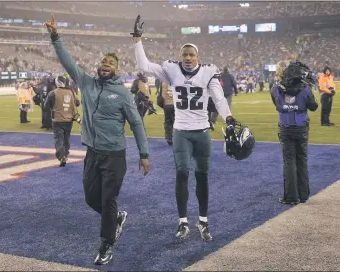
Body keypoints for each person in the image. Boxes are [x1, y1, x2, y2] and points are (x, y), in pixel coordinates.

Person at [45, 13, 150, 265]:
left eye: (111, 63)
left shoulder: (123, 94)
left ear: (116, 69)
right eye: (103, 61)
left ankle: (106, 245)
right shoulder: (87, 83)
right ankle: (114, 218)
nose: (106, 64)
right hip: (92, 153)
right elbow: (67, 62)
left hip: (114, 155)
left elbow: (136, 123)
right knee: (91, 198)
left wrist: (144, 154)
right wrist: (55, 37)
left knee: (107, 199)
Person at [132, 15, 238, 242]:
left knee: (203, 177)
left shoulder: (209, 71)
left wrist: (228, 118)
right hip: (180, 131)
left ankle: (203, 220)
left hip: (202, 132)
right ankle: (182, 223)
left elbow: (219, 98)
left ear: (197, 56)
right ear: (180, 56)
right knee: (181, 173)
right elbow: (144, 66)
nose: (188, 58)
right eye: (185, 54)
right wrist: (138, 40)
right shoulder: (171, 69)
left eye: (192, 54)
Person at [270, 60, 318, 205]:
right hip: (301, 127)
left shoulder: (275, 88)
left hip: (285, 127)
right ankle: (303, 195)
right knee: (302, 160)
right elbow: (314, 106)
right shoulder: (305, 88)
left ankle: (291, 197)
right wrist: (308, 85)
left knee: (289, 161)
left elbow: (277, 104)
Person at [44, 75, 81, 167]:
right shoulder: (72, 91)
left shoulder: (52, 93)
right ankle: (65, 154)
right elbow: (77, 103)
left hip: (57, 119)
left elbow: (45, 107)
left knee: (58, 139)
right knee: (66, 138)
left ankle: (62, 156)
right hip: (69, 119)